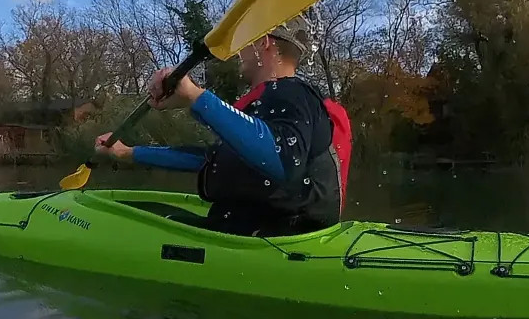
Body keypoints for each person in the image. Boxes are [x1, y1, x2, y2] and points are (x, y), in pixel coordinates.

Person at [95, 18, 352, 237]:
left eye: (246, 43)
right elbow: (209, 160)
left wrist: (195, 96)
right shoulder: (268, 103)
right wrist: (127, 153)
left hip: (274, 238)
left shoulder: (291, 93)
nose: (240, 53)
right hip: (250, 230)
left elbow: (284, 159)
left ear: (264, 43)